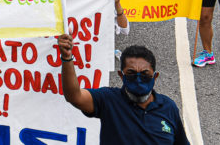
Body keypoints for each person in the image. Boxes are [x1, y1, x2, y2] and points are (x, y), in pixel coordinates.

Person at [58, 41, 188, 144]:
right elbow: (75, 96)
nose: (138, 79)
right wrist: (67, 58)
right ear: (121, 75)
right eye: (131, 73)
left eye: (144, 74)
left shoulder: (168, 107)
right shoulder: (108, 100)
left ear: (155, 76)